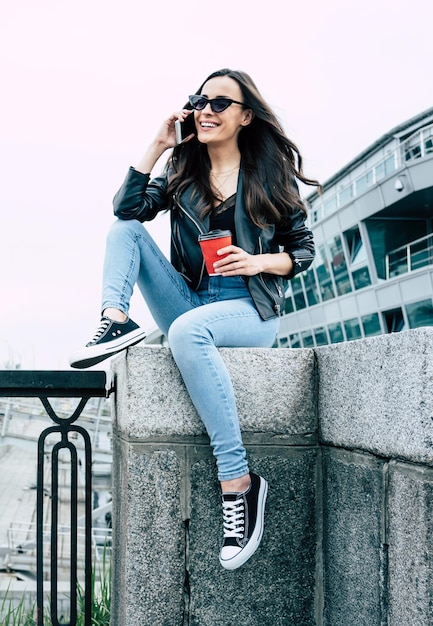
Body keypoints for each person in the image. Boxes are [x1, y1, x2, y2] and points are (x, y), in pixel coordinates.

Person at [69, 68, 319, 570]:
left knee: (186, 331)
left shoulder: (270, 178)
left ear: (246, 116)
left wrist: (256, 261)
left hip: (251, 306)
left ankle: (239, 483)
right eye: (200, 100)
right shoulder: (183, 175)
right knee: (124, 232)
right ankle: (114, 318)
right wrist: (158, 146)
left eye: (221, 103)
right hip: (194, 298)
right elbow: (128, 208)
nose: (206, 109)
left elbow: (303, 250)